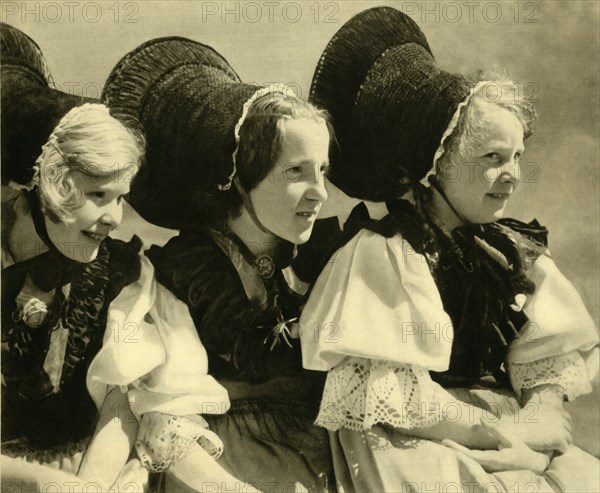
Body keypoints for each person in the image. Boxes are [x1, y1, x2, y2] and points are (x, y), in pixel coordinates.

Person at [297, 7, 600, 493]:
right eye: (492, 158)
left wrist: (536, 423)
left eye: (518, 157)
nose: (512, 175)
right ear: (435, 163)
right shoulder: (386, 251)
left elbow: (549, 362)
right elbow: (396, 397)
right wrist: (504, 432)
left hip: (508, 432)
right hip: (420, 437)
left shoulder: (509, 254)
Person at [1, 25, 230, 492]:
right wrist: (47, 485)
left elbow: (121, 399)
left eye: (121, 197)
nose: (113, 218)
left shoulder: (121, 275)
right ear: (44, 185)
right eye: (97, 194)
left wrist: (89, 486)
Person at [102, 37, 334, 492]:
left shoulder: (315, 256)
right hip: (221, 454)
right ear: (240, 176)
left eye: (322, 171)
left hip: (319, 446)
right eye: (295, 172)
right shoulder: (188, 270)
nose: (319, 192)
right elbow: (168, 404)